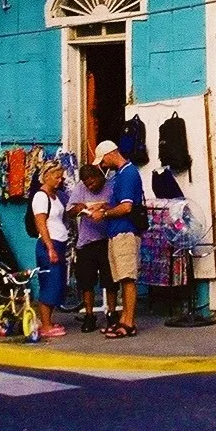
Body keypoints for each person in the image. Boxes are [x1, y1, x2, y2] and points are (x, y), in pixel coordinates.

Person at [86, 138, 144, 338]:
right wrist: (103, 206)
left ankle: (129, 323)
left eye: (103, 161)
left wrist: (104, 214)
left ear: (111, 154)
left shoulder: (128, 174)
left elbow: (127, 206)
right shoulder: (120, 175)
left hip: (125, 231)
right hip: (117, 231)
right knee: (121, 277)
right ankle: (123, 319)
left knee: (128, 278)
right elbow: (119, 203)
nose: (103, 166)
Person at [67, 163, 113, 332]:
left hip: (108, 239)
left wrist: (103, 207)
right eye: (87, 184)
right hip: (86, 241)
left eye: (93, 182)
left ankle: (111, 314)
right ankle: (89, 315)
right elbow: (70, 211)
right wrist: (78, 208)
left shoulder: (111, 186)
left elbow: (117, 207)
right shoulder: (80, 189)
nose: (90, 186)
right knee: (87, 281)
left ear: (100, 177)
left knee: (110, 280)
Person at [28, 163, 70, 338]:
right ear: (46, 176)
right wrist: (50, 248)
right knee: (49, 285)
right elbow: (41, 223)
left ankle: (49, 320)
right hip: (48, 245)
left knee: (57, 284)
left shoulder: (56, 196)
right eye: (56, 177)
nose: (60, 180)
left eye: (61, 177)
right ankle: (45, 325)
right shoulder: (40, 196)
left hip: (59, 243)